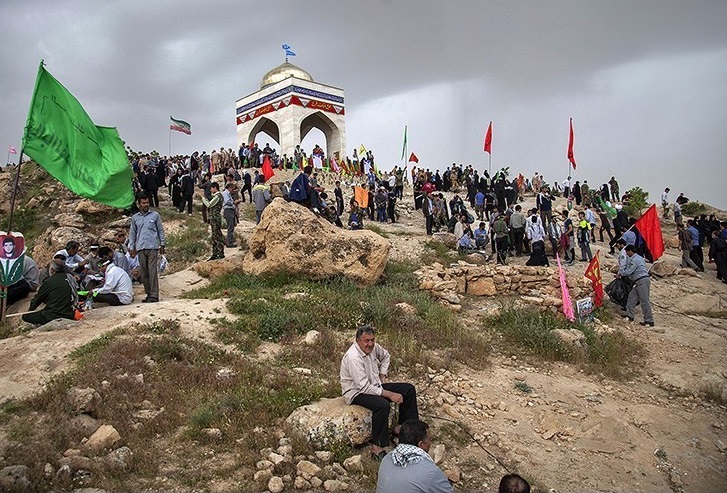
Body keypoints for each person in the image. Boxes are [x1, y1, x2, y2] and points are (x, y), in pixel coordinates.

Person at [340, 325, 419, 460]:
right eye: (366, 341)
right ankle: (377, 447)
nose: (370, 344)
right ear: (358, 341)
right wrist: (389, 394)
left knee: (409, 389)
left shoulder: (373, 348)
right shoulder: (354, 358)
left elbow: (386, 356)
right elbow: (363, 387)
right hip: (355, 392)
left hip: (375, 385)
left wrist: (382, 375)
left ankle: (405, 430)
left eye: (372, 340)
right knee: (382, 405)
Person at [376, 419, 453, 493]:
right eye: (429, 439)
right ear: (421, 444)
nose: (430, 443)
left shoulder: (387, 458)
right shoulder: (430, 472)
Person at [128, 193, 165, 303]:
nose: (146, 205)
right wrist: (132, 247)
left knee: (152, 271)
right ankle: (148, 294)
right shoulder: (135, 218)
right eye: (143, 203)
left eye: (147, 202)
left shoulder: (155, 215)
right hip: (140, 248)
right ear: (139, 204)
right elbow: (132, 234)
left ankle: (154, 295)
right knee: (144, 273)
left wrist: (162, 244)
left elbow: (160, 230)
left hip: (152, 247)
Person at [22, 254, 76, 325]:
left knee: (25, 317)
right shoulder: (69, 278)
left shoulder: (48, 281)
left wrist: (30, 309)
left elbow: (38, 298)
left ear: (52, 269)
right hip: (70, 313)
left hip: (53, 315)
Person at [618, 245, 654, 327]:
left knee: (644, 301)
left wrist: (620, 273)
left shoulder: (635, 259)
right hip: (638, 282)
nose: (627, 254)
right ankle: (630, 315)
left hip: (642, 280)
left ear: (630, 251)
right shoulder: (638, 258)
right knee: (631, 297)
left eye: (627, 252)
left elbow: (629, 271)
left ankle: (649, 320)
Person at [201, 182, 225, 260]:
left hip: (215, 218)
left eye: (211, 188)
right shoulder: (216, 196)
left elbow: (209, 205)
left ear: (215, 188)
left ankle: (220, 253)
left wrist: (204, 199)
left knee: (217, 236)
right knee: (214, 236)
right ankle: (215, 253)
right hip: (213, 218)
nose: (211, 190)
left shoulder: (218, 196)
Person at [222, 182, 241, 247]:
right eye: (232, 188)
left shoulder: (228, 193)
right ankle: (229, 243)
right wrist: (234, 202)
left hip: (230, 211)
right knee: (230, 227)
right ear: (229, 188)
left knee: (231, 227)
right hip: (228, 211)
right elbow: (227, 201)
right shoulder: (225, 193)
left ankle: (229, 240)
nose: (233, 190)